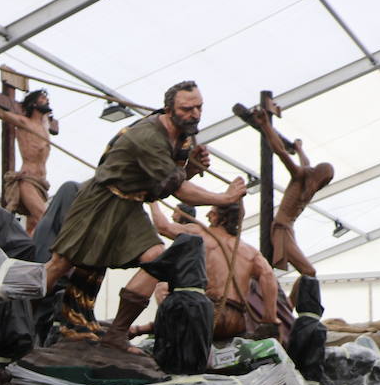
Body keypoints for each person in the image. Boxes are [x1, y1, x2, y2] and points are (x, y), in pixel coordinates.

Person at [42, 80, 245, 351]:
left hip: (129, 206)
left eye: (198, 107)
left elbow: (165, 184)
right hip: (99, 201)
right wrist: (226, 198)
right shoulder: (148, 136)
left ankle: (117, 333)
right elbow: (178, 189)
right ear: (169, 108)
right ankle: (18, 317)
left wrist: (193, 167)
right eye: (187, 109)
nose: (195, 114)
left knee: (157, 260)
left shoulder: (183, 137)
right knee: (60, 265)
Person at [150, 201, 278, 340]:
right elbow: (268, 275)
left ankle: (165, 328)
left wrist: (152, 201)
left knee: (162, 287)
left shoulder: (199, 233)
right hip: (236, 322)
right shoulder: (251, 252)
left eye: (211, 212)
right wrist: (269, 318)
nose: (207, 215)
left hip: (206, 317)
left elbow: (162, 226)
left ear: (218, 218)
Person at [246, 104, 332, 276]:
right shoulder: (302, 178)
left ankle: (287, 302)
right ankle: (289, 302)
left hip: (286, 230)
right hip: (282, 230)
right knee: (309, 271)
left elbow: (300, 160)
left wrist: (299, 149)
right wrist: (265, 125)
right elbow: (281, 151)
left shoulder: (307, 182)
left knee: (309, 271)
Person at [0, 88, 56, 234]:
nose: (46, 100)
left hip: (42, 184)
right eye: (42, 98)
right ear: (33, 104)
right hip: (27, 180)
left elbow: (47, 115)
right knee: (43, 217)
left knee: (33, 227)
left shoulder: (45, 126)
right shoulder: (24, 123)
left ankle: (31, 255)